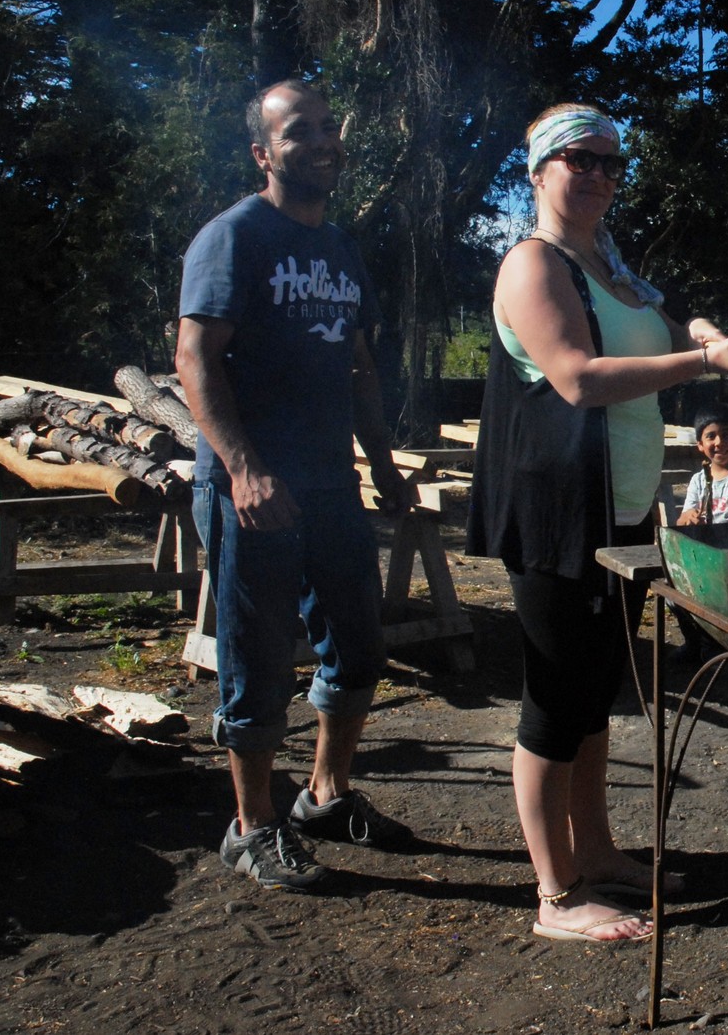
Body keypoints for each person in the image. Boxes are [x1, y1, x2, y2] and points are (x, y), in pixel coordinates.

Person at [465, 103, 728, 943]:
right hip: (555, 508)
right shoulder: (533, 264)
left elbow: (659, 328)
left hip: (620, 507)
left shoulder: (609, 264)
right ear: (538, 172)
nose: (597, 175)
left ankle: (595, 852)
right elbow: (578, 377)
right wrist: (702, 358)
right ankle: (554, 897)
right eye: (580, 160)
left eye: (611, 164)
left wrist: (699, 331)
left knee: (598, 692)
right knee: (554, 700)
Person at [176, 79, 417, 893]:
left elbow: (358, 367)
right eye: (296, 131)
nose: (318, 141)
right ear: (263, 153)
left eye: (325, 128)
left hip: (331, 485)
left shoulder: (341, 248)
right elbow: (194, 360)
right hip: (254, 488)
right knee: (257, 656)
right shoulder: (234, 237)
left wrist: (382, 463)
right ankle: (250, 826)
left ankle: (326, 795)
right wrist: (244, 470)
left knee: (357, 646)